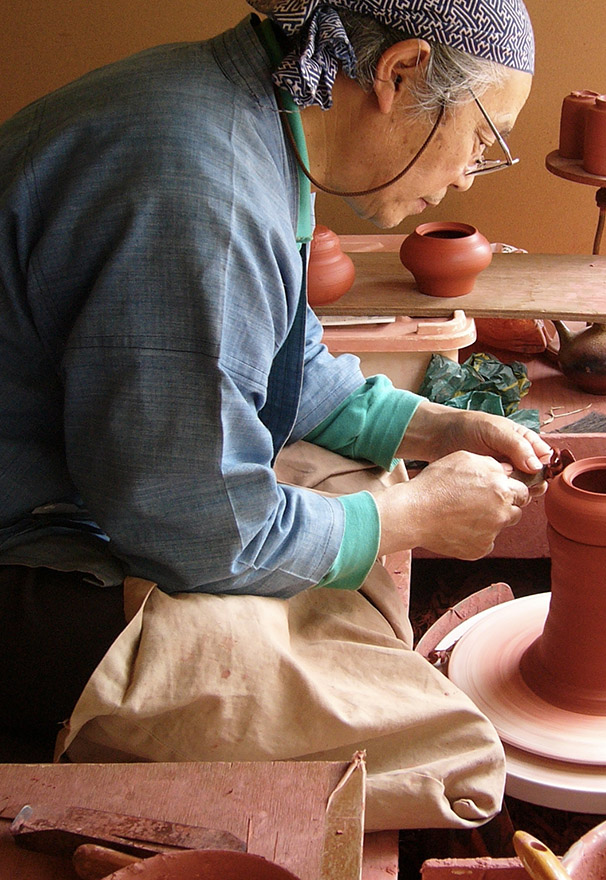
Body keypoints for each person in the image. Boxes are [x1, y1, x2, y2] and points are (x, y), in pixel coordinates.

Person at [0, 0, 547, 830]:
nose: (472, 173)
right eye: (485, 137)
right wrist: (414, 515)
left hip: (97, 483)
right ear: (400, 73)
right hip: (24, 568)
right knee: (446, 752)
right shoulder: (200, 193)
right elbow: (201, 535)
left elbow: (286, 363)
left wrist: (440, 427)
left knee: (353, 474)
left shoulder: (241, 109)